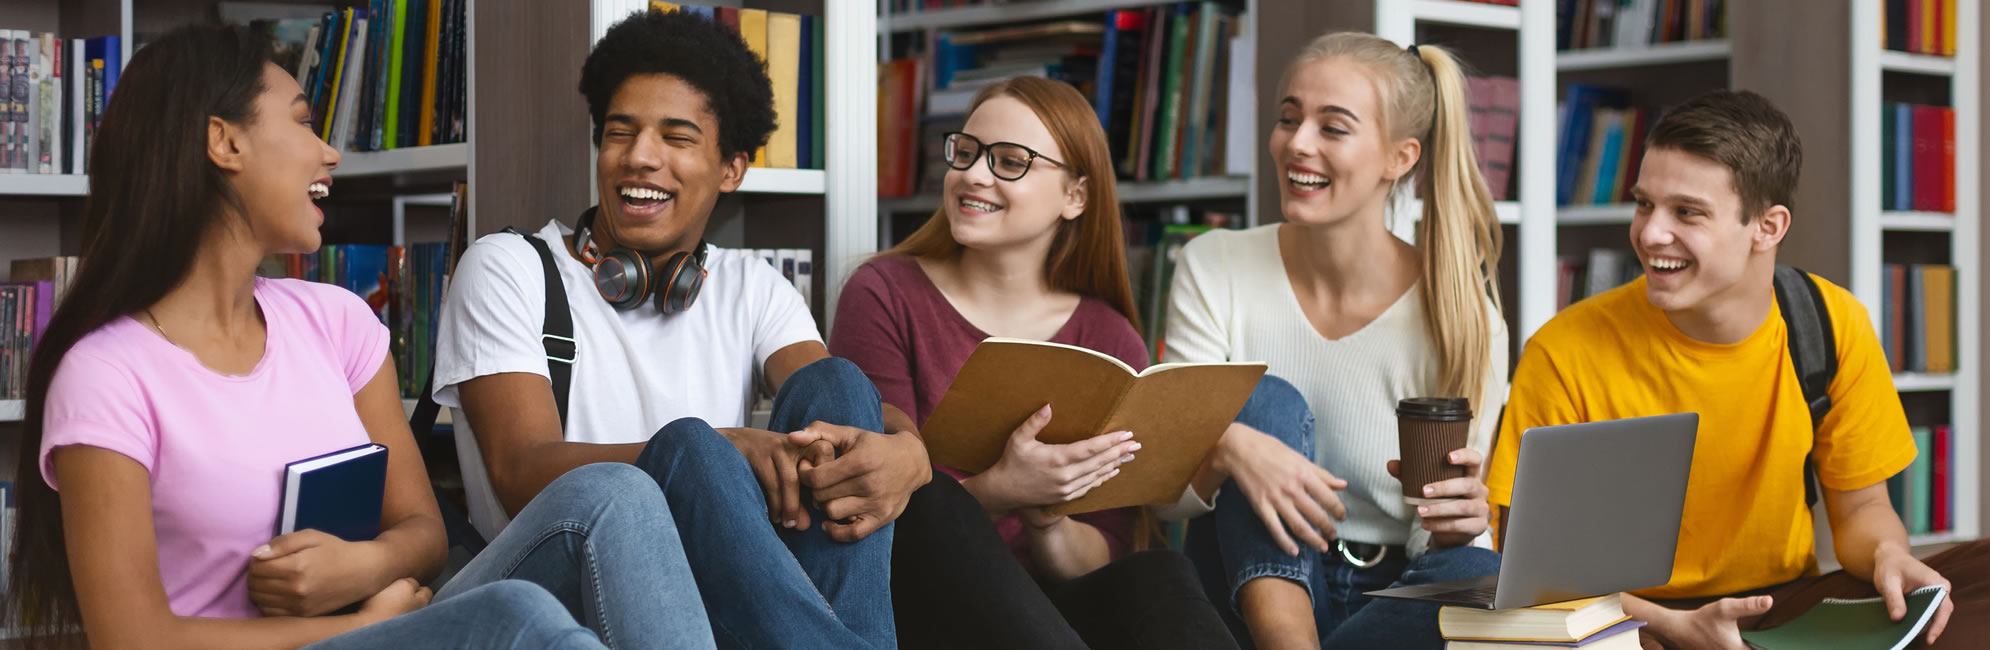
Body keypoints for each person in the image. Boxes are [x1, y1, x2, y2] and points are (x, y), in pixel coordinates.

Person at [2, 24, 712, 650]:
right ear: (225, 141)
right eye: (305, 125)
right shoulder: (106, 373)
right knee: (519, 617)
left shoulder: (336, 321)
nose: (330, 153)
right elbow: (134, 639)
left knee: (615, 492)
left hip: (380, 615)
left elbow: (423, 533)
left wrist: (364, 567)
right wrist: (354, 627)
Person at [1489, 89, 1990, 650]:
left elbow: (1862, 508)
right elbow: (1535, 570)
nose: (1650, 232)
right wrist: (1672, 625)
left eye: (1686, 212)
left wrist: (1890, 555)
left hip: (1779, 607)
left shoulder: (1830, 322)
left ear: (1768, 227)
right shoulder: (1565, 351)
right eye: (1645, 203)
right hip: (1638, 620)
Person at [431, 10, 924, 649]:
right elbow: (520, 470)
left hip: (717, 594)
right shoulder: (508, 268)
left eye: (677, 137)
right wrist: (720, 451)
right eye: (619, 133)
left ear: (731, 170)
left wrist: (912, 456)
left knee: (837, 381)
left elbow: (846, 414)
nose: (639, 157)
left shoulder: (752, 285)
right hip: (561, 584)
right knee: (690, 450)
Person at [828, 76, 1234, 650]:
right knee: (928, 490)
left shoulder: (1110, 337)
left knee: (1160, 575)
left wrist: (1048, 518)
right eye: (965, 153)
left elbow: (1105, 549)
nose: (973, 174)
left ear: (1075, 196)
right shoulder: (884, 293)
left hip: (1049, 609)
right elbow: (889, 519)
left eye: (1010, 161)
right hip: (921, 606)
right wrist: (1003, 489)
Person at [1156, 32, 1509, 650]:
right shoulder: (1212, 266)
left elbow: (1437, 543)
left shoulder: (1462, 313)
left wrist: (1458, 523)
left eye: (1333, 128)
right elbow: (1163, 501)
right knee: (1263, 402)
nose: (1297, 143)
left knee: (1477, 572)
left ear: (1400, 158)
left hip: (1389, 599)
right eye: (1288, 119)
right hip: (1243, 587)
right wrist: (1233, 446)